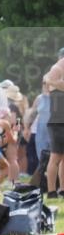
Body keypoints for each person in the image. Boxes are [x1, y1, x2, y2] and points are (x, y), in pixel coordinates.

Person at [45, 53, 64, 198]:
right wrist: (50, 80)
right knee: (55, 157)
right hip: (57, 121)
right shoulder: (56, 69)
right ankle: (51, 191)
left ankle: (62, 189)